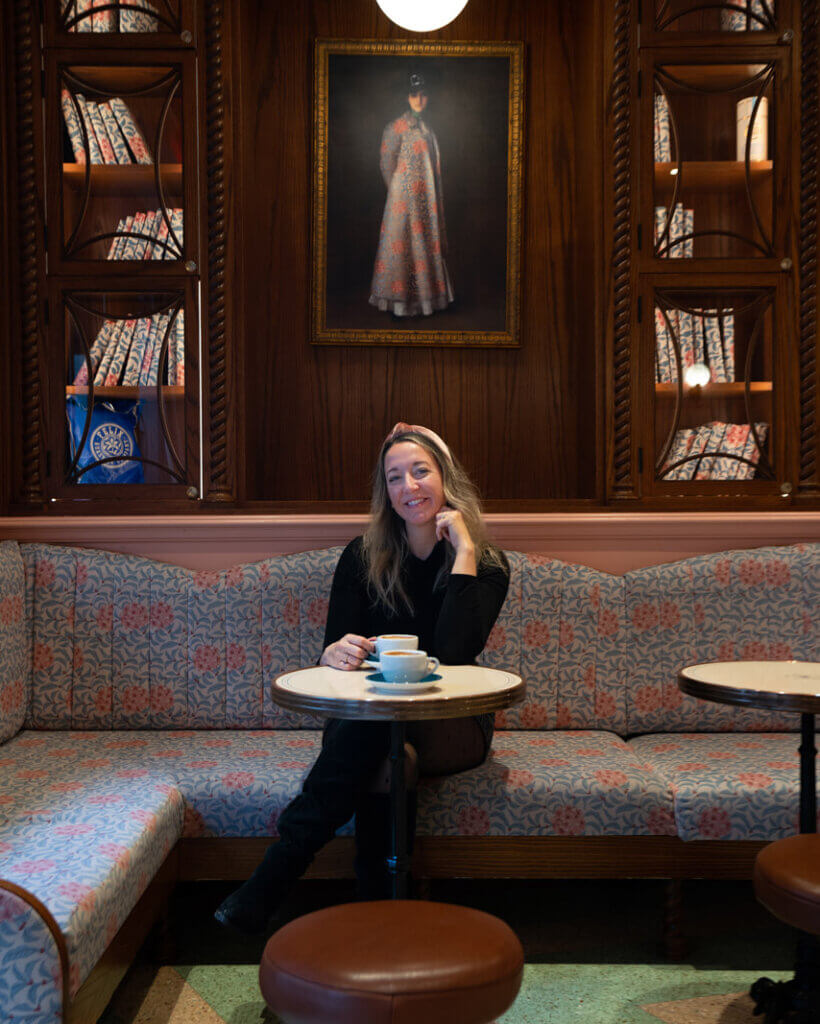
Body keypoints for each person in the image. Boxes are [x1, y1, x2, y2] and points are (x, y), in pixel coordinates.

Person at [214, 423, 509, 935]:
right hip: (369, 718)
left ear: (445, 479)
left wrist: (462, 553)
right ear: (386, 493)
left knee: (379, 734)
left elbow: (457, 653)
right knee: (387, 752)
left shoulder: (486, 563)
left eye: (421, 471)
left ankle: (275, 878)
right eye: (395, 478)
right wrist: (334, 651)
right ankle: (383, 916)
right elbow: (333, 650)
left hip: (452, 724)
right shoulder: (361, 557)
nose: (409, 487)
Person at [369, 72, 455, 318]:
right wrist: (399, 193)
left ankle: (423, 300)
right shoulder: (396, 127)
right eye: (414, 95)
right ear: (406, 97)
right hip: (402, 200)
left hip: (426, 200)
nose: (419, 100)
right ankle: (399, 301)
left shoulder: (429, 130)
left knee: (422, 246)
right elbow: (386, 162)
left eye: (424, 95)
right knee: (402, 246)